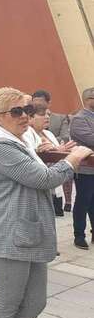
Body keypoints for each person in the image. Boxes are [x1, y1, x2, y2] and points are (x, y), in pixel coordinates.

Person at [0, 87, 91, 318]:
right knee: (7, 302)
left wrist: (50, 152)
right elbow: (43, 179)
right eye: (17, 111)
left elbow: (36, 169)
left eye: (27, 110)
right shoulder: (1, 145)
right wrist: (72, 159)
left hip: (26, 233)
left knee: (35, 301)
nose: (25, 116)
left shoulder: (21, 140)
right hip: (7, 234)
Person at [33, 89, 73, 210]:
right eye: (42, 114)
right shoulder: (26, 135)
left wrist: (59, 149)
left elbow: (63, 141)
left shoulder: (48, 134)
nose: (46, 117)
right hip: (38, 182)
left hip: (53, 179)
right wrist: (55, 149)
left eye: (48, 115)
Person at [70, 87, 94, 249]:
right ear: (88, 100)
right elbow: (91, 139)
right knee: (83, 202)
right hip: (85, 169)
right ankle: (79, 235)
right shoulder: (79, 119)